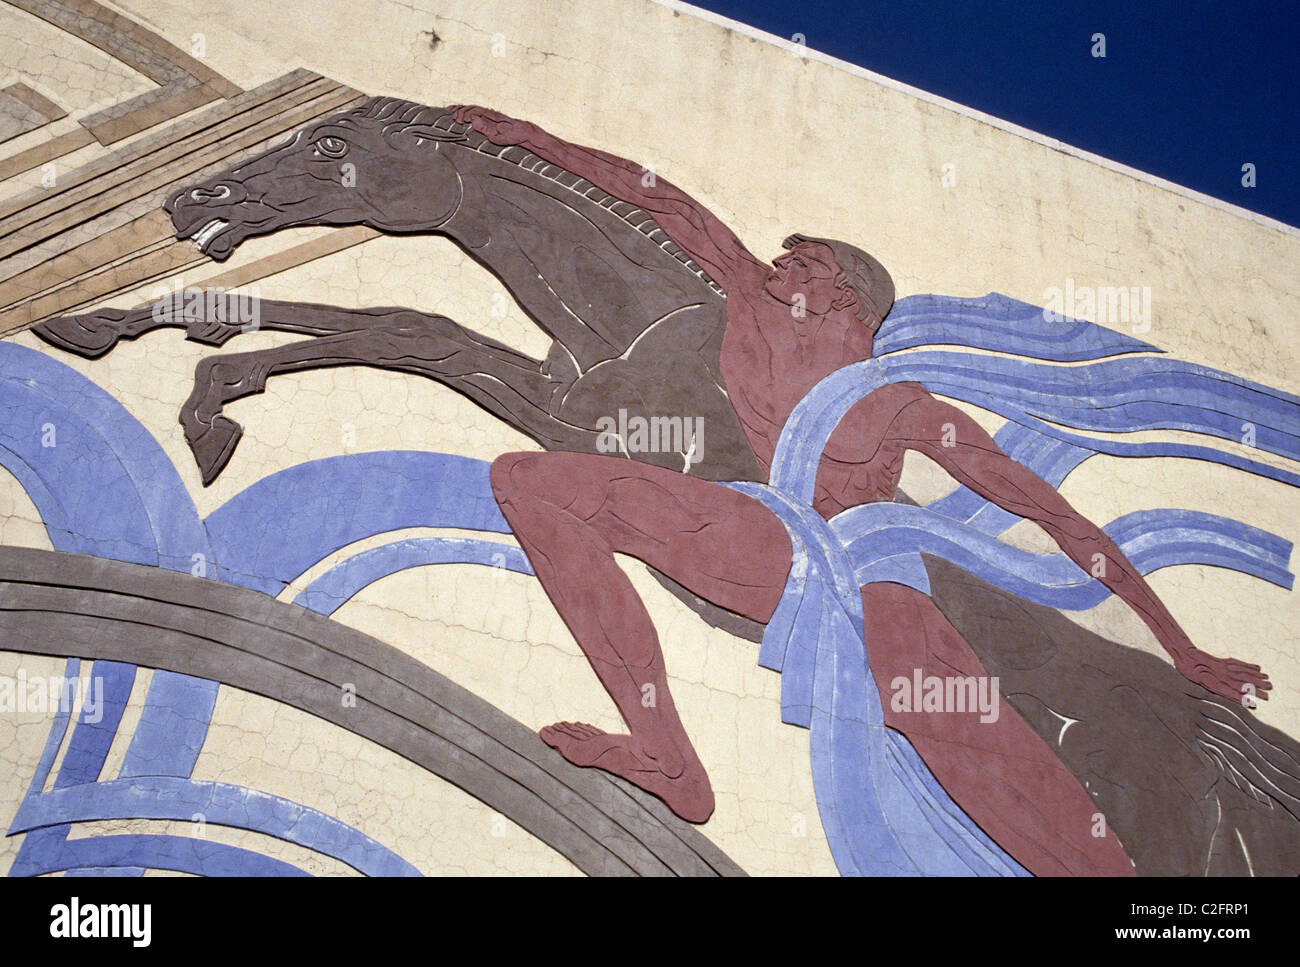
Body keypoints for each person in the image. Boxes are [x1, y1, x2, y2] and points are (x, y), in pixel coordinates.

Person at [452, 106, 1269, 875]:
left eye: (801, 260)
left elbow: (1054, 516)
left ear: (843, 293)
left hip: (872, 572)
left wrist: (1184, 650)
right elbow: (655, 196)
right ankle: (666, 750)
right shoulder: (753, 302)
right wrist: (522, 135)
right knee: (528, 481)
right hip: (769, 534)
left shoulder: (903, 408)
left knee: (969, 741)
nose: (778, 262)